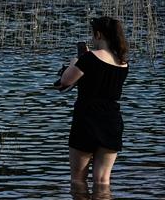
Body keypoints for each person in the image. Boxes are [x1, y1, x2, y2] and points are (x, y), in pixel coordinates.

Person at [54, 16, 128, 187]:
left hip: (87, 120)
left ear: (99, 35)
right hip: (112, 121)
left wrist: (75, 61)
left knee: (78, 180)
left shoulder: (88, 59)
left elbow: (65, 81)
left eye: (93, 35)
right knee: (103, 181)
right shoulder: (123, 63)